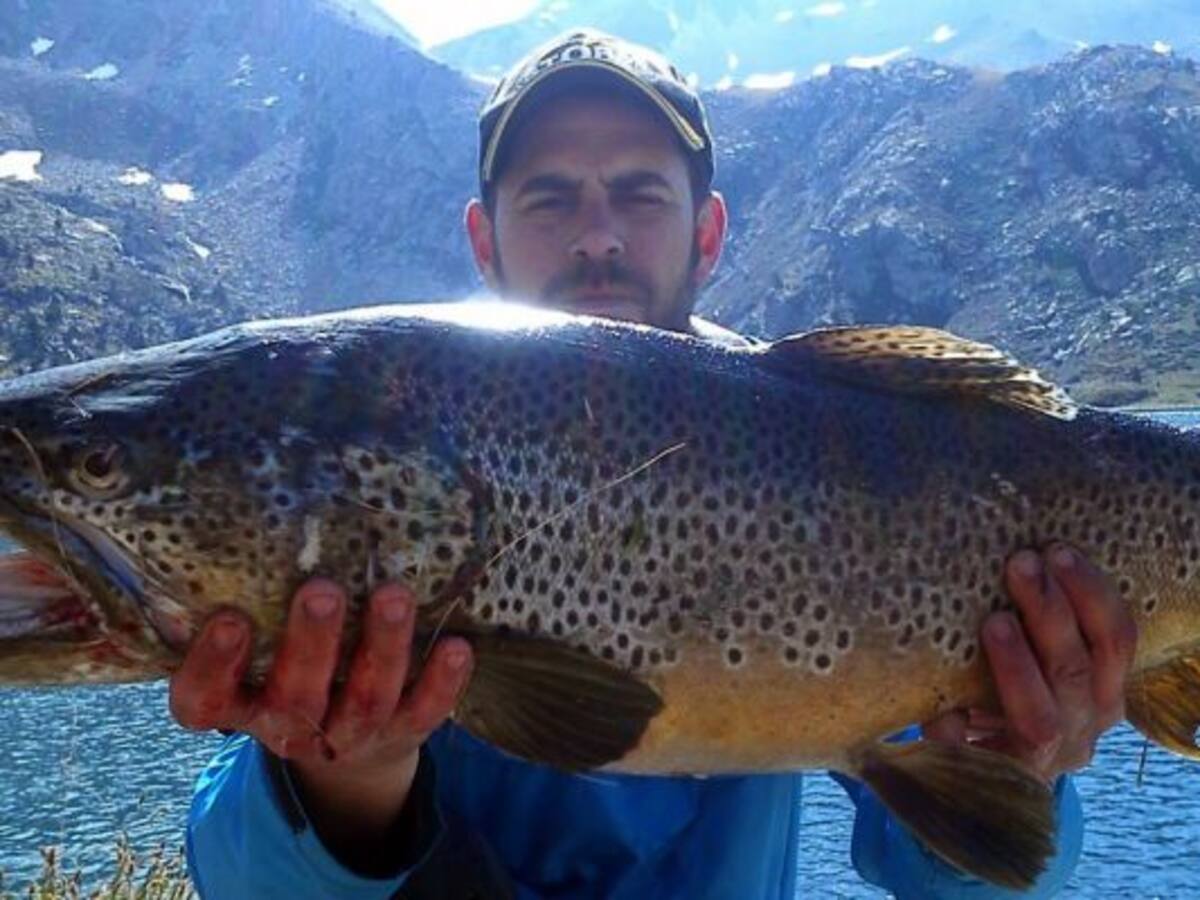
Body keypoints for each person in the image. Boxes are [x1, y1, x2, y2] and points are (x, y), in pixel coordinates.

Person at [178, 30, 1136, 899]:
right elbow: (242, 879)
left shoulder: (816, 445)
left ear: (706, 233)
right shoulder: (394, 432)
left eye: (639, 194)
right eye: (550, 198)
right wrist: (344, 784)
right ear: (483, 240)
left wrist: (1026, 762)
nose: (598, 235)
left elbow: (971, 885)